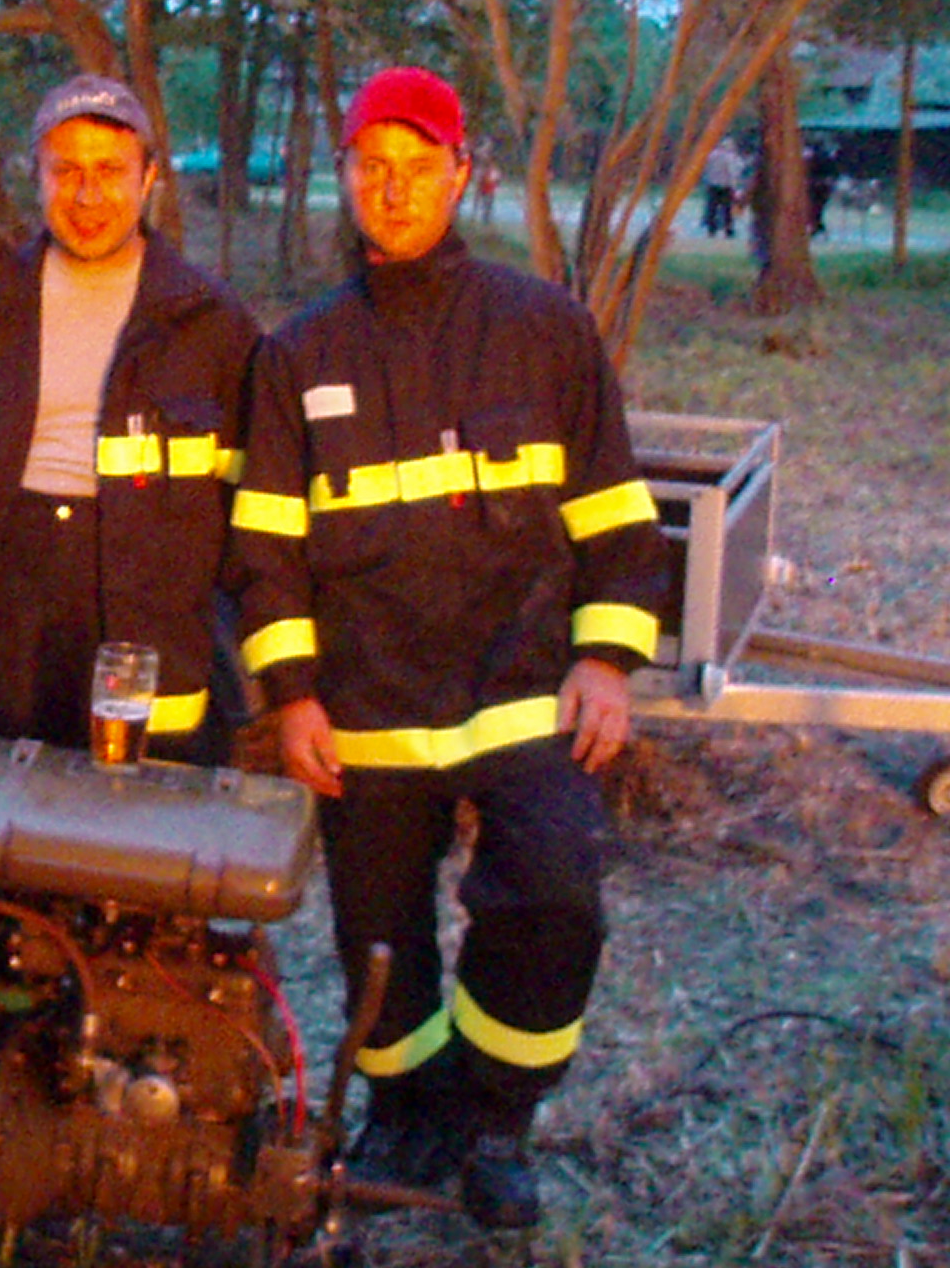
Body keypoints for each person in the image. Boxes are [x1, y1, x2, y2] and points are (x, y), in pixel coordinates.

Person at [231, 67, 670, 1230]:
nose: (394, 188)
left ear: (460, 173)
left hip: (519, 696)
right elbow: (263, 548)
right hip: (365, 711)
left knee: (555, 896)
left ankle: (492, 1121)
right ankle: (404, 1111)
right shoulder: (297, 356)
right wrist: (291, 696)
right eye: (371, 167)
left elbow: (615, 514)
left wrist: (605, 660)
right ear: (344, 178)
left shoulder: (543, 329)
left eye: (417, 166)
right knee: (379, 942)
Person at [0, 73, 263, 763]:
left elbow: (254, 497)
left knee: (133, 821)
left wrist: (173, 574)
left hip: (151, 633)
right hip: (1, 621)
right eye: (67, 171)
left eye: (111, 171)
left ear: (149, 178)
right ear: (38, 176)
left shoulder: (209, 324)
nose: (88, 196)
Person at [701, 133, 745, 238]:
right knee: (727, 209)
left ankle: (711, 229)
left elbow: (705, 169)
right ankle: (728, 230)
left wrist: (706, 181)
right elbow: (733, 171)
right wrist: (734, 185)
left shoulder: (711, 156)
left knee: (712, 208)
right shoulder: (730, 157)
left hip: (712, 185)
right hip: (726, 186)